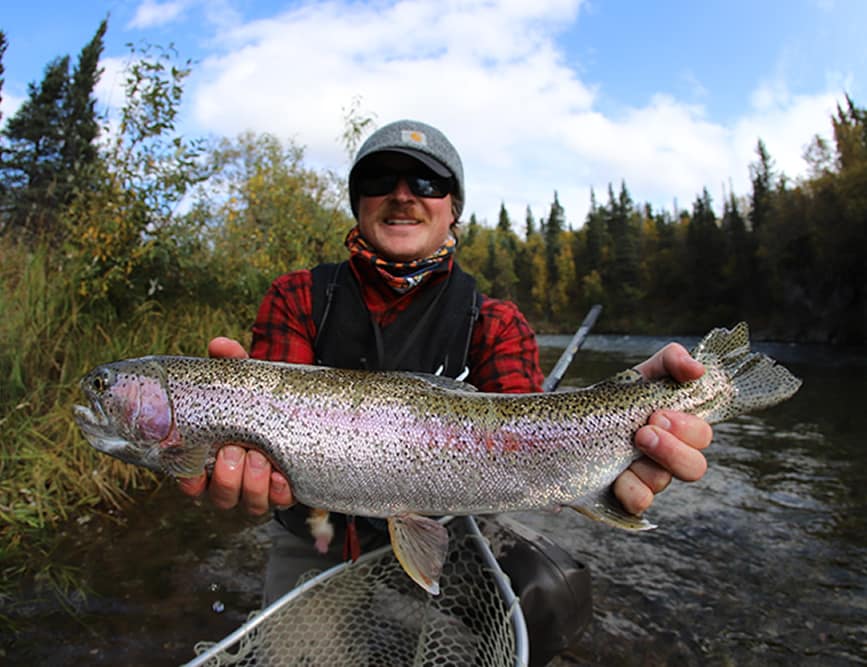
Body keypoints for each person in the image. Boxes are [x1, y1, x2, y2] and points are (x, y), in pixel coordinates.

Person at [178, 119, 713, 602]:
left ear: (454, 208)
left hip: (452, 524)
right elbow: (257, 458)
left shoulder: (495, 322)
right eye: (380, 180)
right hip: (316, 533)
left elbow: (530, 440)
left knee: (552, 595)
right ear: (358, 202)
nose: (402, 196)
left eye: (427, 182)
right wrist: (232, 447)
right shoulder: (298, 297)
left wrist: (620, 414)